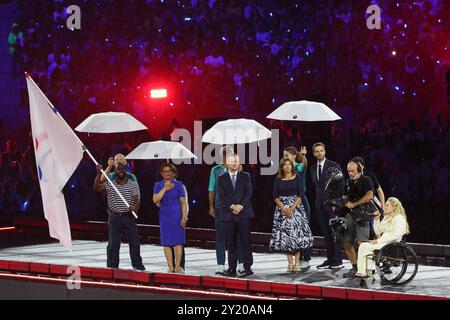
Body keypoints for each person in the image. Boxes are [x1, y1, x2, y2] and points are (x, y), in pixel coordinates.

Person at [94, 163, 145, 271]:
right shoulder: (110, 184)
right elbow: (97, 188)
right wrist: (98, 174)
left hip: (128, 217)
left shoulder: (133, 184)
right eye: (118, 169)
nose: (120, 171)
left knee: (134, 243)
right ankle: (112, 266)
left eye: (122, 169)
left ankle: (138, 266)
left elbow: (137, 200)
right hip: (115, 217)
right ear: (115, 171)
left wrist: (134, 208)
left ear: (126, 170)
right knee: (114, 243)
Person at [270, 158, 314, 272]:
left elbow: (300, 195)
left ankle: (297, 263)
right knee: (286, 238)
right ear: (282, 167)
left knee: (297, 236)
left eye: (289, 164)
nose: (287, 166)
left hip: (296, 208)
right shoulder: (278, 179)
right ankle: (290, 263)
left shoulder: (297, 178)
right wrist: (284, 208)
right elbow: (275, 196)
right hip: (281, 209)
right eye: (285, 165)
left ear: (292, 166)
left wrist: (291, 209)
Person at [208, 146, 244, 275]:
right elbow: (211, 189)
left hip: (236, 207)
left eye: (228, 154)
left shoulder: (238, 168)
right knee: (220, 236)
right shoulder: (215, 170)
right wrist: (211, 206)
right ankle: (220, 264)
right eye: (223, 154)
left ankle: (241, 263)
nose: (225, 156)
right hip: (220, 207)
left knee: (238, 236)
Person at [218, 154, 254, 277]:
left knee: (246, 241)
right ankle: (231, 268)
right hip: (228, 215)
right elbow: (222, 196)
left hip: (244, 214)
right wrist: (232, 206)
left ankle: (247, 267)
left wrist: (240, 206)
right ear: (226, 163)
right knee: (230, 243)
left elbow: (249, 192)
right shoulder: (221, 178)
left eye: (236, 161)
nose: (234, 163)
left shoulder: (246, 176)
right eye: (232, 161)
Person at [309, 142, 344, 269]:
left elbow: (341, 185)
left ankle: (338, 261)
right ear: (314, 153)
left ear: (325, 151)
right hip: (319, 206)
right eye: (317, 151)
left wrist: (336, 203)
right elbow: (316, 188)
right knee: (326, 234)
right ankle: (330, 259)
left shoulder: (333, 166)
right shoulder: (312, 169)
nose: (319, 153)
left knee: (335, 233)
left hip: (332, 205)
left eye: (321, 151)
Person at [355, 197, 409, 277]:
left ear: (394, 207)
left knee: (366, 247)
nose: (384, 207)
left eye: (387, 205)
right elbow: (378, 231)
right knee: (364, 246)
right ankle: (365, 272)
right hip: (385, 243)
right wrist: (376, 220)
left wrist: (379, 241)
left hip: (392, 244)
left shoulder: (399, 218)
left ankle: (366, 271)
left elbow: (396, 235)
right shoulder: (387, 217)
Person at [342, 160, 375, 278]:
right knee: (346, 243)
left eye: (353, 171)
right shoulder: (348, 183)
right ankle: (355, 267)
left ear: (359, 170)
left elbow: (370, 195)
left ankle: (366, 268)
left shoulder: (366, 180)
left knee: (362, 244)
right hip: (349, 216)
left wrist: (354, 204)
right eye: (348, 171)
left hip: (363, 216)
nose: (350, 173)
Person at [153, 163, 188, 273]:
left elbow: (183, 203)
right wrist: (164, 189)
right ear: (162, 173)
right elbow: (155, 200)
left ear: (173, 173)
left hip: (177, 215)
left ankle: (178, 267)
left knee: (178, 242)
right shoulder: (158, 185)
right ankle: (170, 266)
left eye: (169, 171)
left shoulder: (179, 185)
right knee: (166, 242)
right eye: (165, 171)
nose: (167, 173)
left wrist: (184, 217)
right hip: (165, 215)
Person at [283, 146, 312, 270]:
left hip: (300, 199)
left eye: (286, 156)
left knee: (303, 230)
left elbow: (304, 164)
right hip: (288, 201)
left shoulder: (298, 166)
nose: (284, 158)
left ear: (294, 156)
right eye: (284, 156)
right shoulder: (284, 168)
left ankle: (305, 259)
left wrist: (303, 155)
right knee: (292, 231)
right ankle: (295, 260)